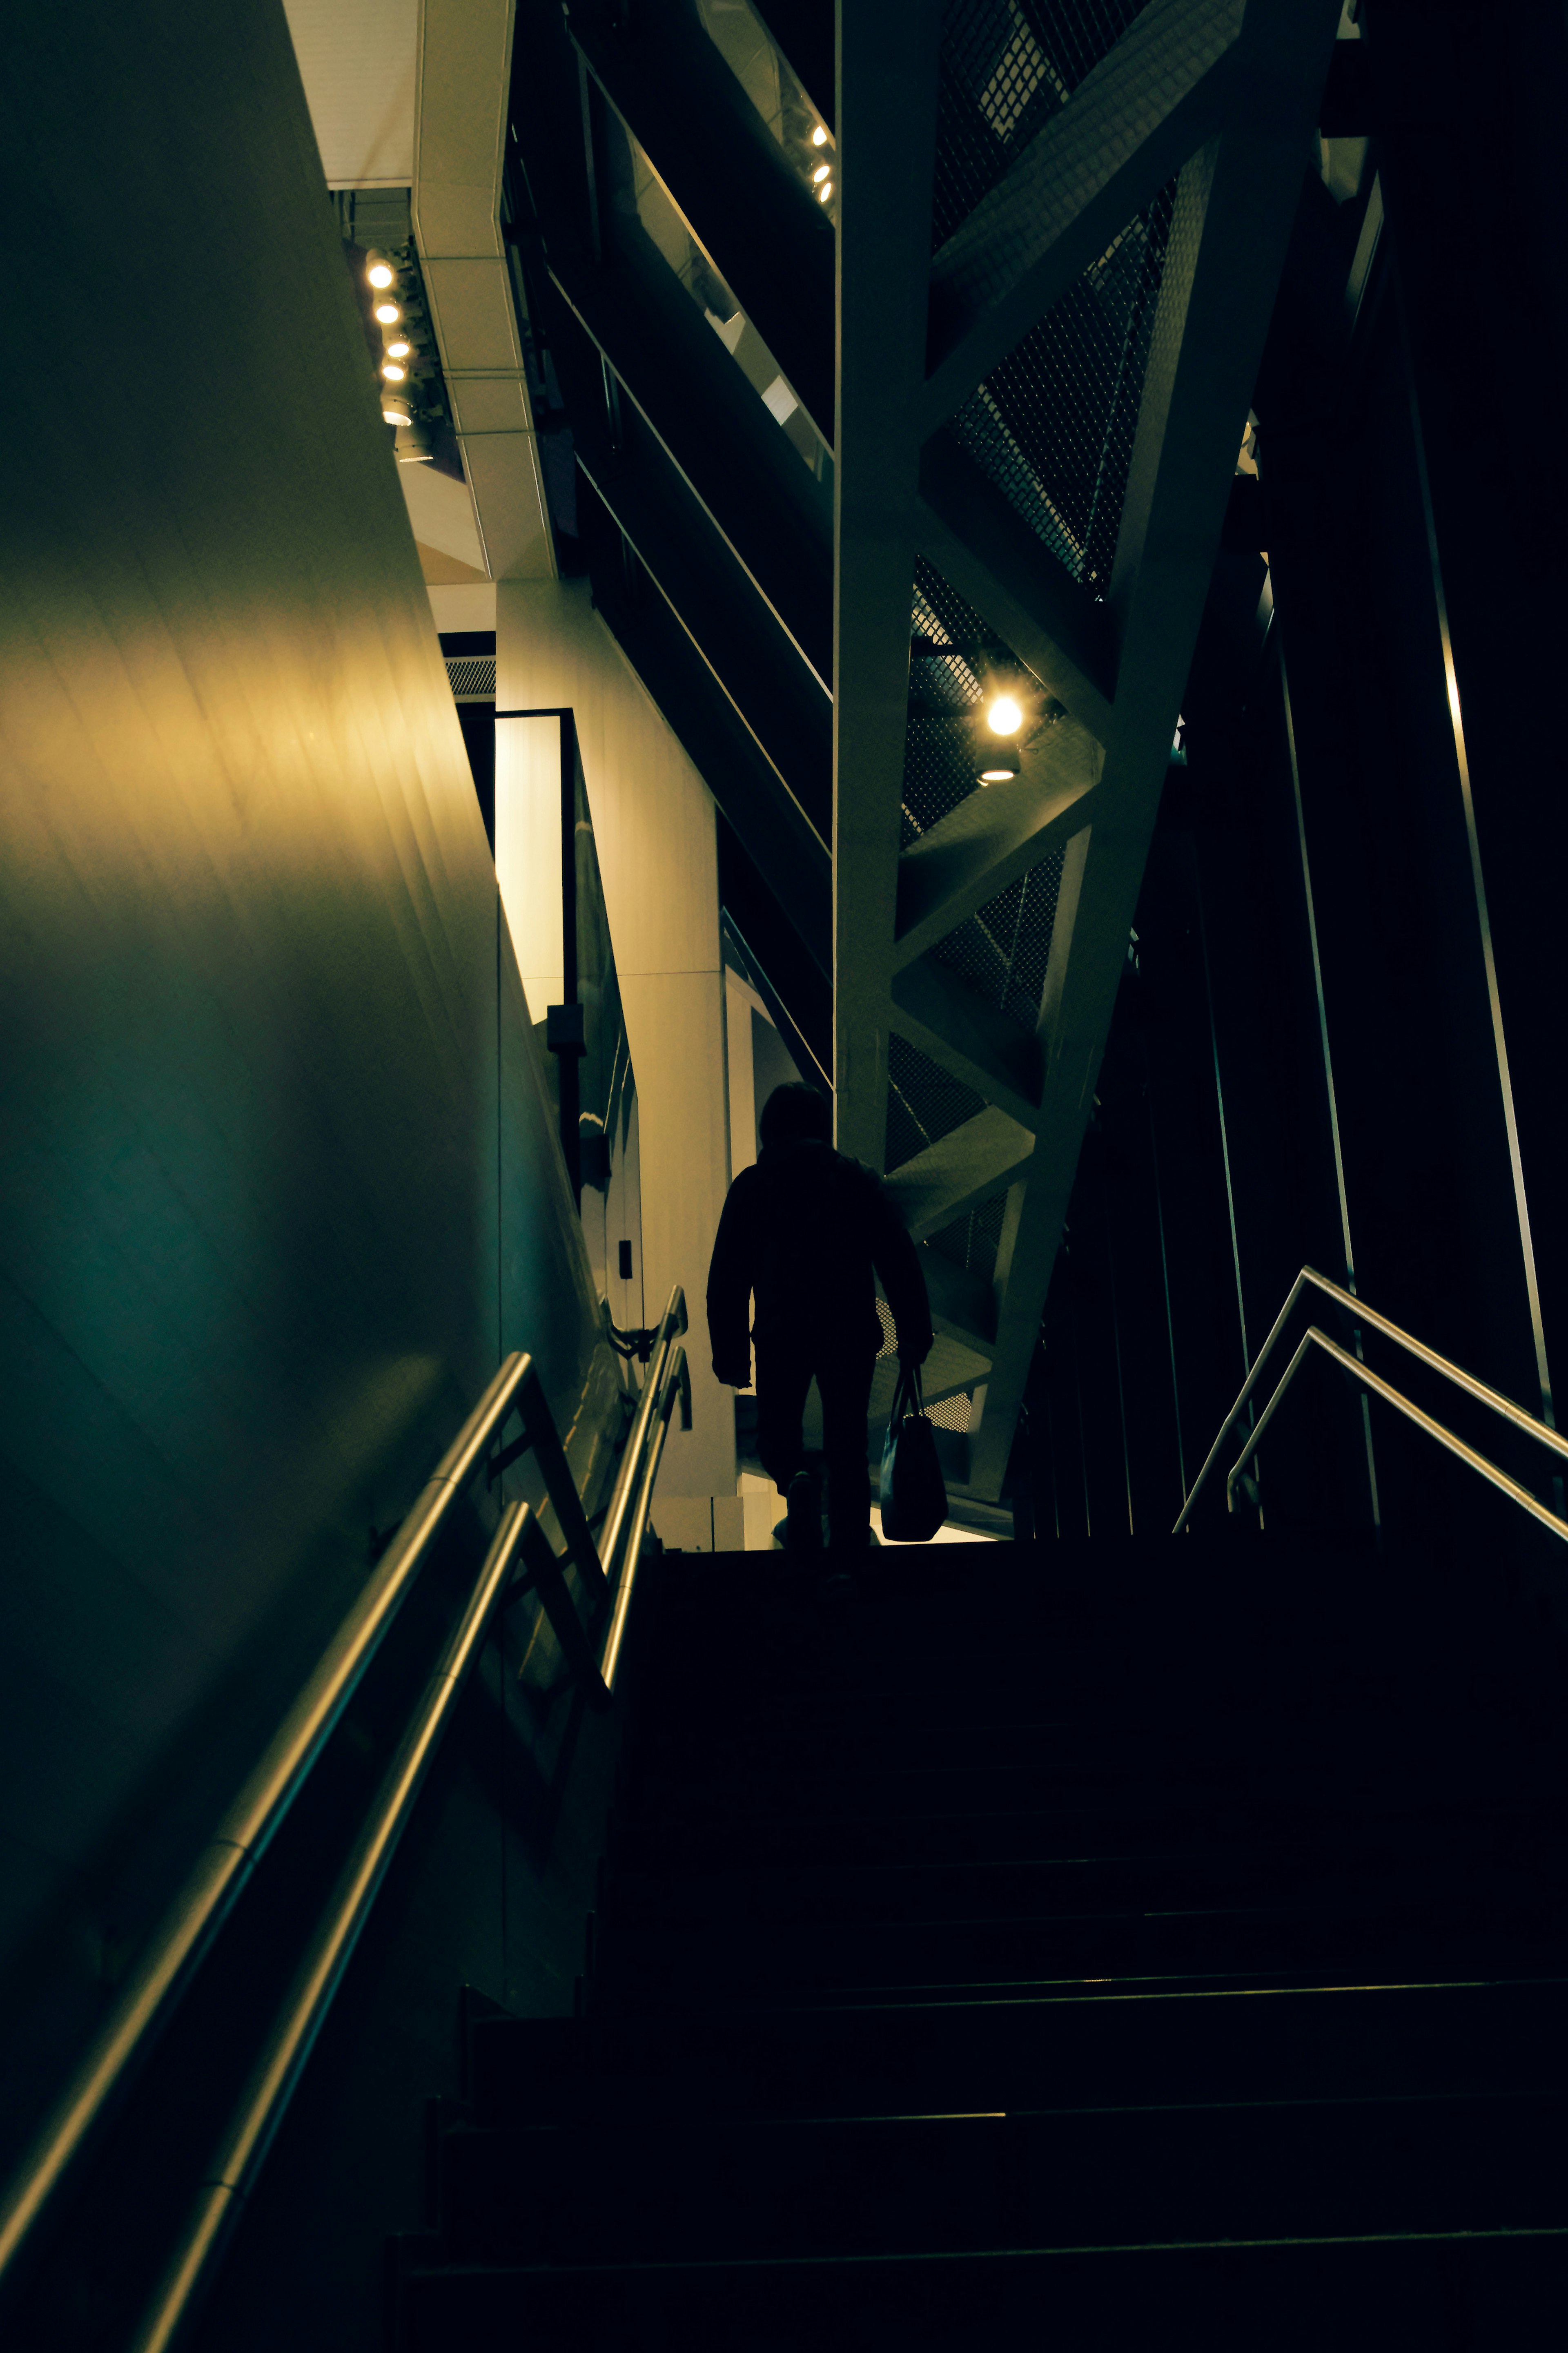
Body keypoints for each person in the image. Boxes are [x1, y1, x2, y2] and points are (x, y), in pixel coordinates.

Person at [706, 1081, 933, 1550]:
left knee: (776, 1438)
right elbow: (897, 1257)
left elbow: (727, 1276)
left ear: (770, 1128)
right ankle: (848, 1556)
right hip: (848, 1333)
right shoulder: (853, 1179)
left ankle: (796, 1482)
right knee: (848, 1447)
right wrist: (913, 1331)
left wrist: (730, 1354)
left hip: (780, 1333)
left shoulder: (752, 1186)